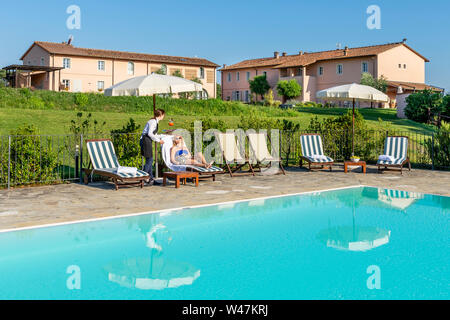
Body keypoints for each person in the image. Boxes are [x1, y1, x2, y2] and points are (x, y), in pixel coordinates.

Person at [140, 109, 165, 185]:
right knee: (150, 160)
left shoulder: (155, 122)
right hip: (145, 140)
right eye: (163, 115)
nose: (164, 117)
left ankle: (151, 179)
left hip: (148, 140)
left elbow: (154, 134)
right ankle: (142, 178)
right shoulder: (153, 122)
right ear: (160, 115)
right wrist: (158, 140)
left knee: (150, 160)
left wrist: (162, 136)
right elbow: (150, 134)